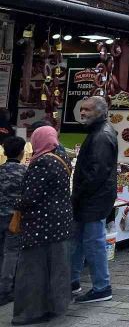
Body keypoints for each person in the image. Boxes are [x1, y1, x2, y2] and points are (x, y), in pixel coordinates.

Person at [12, 126, 72, 324]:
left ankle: (31, 311)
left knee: (33, 268)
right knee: (55, 267)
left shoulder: (42, 163)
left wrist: (16, 204)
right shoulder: (61, 156)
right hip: (59, 223)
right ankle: (54, 306)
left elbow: (30, 196)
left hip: (40, 225)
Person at [71, 96, 117, 303]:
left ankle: (102, 286)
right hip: (91, 197)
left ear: (99, 111)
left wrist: (79, 192)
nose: (83, 113)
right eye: (82, 109)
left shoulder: (101, 135)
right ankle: (71, 280)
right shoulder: (99, 132)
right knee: (79, 240)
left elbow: (97, 172)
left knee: (93, 242)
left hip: (94, 198)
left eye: (87, 110)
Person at [0, 136, 26, 306]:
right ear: (22, 152)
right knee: (11, 253)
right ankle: (5, 289)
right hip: (14, 219)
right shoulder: (25, 172)